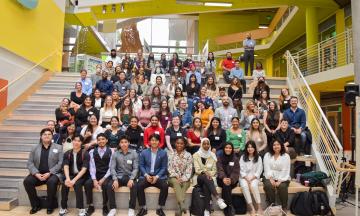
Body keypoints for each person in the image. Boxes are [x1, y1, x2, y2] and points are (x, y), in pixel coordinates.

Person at [23, 128, 63, 214]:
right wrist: (36, 173)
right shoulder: (34, 148)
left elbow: (60, 163)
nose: (47, 136)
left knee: (52, 182)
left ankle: (50, 206)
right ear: (41, 136)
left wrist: (50, 173)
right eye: (45, 134)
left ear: (52, 136)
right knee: (27, 181)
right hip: (38, 174)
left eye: (49, 134)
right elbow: (30, 163)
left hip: (52, 174)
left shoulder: (59, 147)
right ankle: (35, 205)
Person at [192, 138, 227, 215]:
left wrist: (209, 174)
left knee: (206, 185)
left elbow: (214, 170)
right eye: (204, 144)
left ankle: (207, 210)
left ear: (210, 145)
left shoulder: (212, 155)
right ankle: (218, 198)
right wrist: (205, 173)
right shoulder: (196, 155)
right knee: (205, 177)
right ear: (201, 145)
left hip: (210, 178)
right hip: (199, 177)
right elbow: (197, 169)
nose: (206, 145)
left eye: (208, 144)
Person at [137, 134, 169, 216]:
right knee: (139, 185)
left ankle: (159, 208)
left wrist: (157, 176)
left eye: (156, 140)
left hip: (158, 176)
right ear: (149, 142)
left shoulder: (163, 153)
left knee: (165, 186)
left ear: (159, 142)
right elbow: (141, 165)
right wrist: (146, 175)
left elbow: (164, 167)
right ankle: (143, 208)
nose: (154, 142)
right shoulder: (144, 152)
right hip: (147, 175)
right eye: (152, 140)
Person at [107, 135, 138, 216]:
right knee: (109, 186)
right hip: (119, 177)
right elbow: (112, 168)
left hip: (129, 177)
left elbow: (135, 168)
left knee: (134, 186)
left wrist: (132, 179)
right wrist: (115, 179)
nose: (124, 144)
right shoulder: (115, 154)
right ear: (119, 144)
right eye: (122, 142)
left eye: (125, 142)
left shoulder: (134, 153)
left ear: (129, 143)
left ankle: (131, 208)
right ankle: (113, 208)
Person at [59, 135, 90, 216]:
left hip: (82, 176)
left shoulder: (85, 153)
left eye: (79, 141)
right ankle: (63, 207)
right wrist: (68, 179)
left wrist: (74, 180)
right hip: (71, 175)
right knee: (65, 184)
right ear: (72, 141)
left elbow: (84, 169)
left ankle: (81, 208)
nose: (76, 142)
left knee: (77, 184)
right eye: (75, 140)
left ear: (82, 143)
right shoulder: (67, 153)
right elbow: (65, 166)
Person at [84, 133, 114, 216]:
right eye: (99, 139)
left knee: (105, 185)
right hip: (96, 174)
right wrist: (94, 180)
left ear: (106, 140)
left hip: (107, 174)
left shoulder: (111, 151)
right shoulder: (92, 151)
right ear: (97, 141)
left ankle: (105, 205)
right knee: (87, 184)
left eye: (103, 139)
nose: (101, 141)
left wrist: (103, 179)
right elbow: (92, 167)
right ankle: (90, 205)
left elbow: (111, 167)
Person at [263, 140, 291, 212]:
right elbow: (266, 168)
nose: (276, 146)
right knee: (269, 186)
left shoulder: (286, 156)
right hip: (269, 176)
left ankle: (284, 207)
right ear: (271, 146)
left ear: (281, 146)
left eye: (278, 144)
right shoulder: (267, 155)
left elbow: (286, 169)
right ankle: (272, 206)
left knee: (282, 186)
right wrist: (270, 178)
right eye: (274, 145)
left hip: (283, 176)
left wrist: (280, 180)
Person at [168, 137, 193, 216]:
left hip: (185, 178)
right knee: (176, 182)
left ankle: (179, 209)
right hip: (173, 178)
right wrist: (176, 176)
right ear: (175, 144)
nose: (179, 145)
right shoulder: (171, 154)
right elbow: (169, 168)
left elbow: (189, 169)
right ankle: (182, 204)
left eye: (181, 143)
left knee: (184, 185)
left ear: (184, 145)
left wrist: (183, 178)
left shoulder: (188, 155)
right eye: (178, 143)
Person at [239, 141, 263, 216]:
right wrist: (247, 178)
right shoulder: (242, 157)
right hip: (244, 177)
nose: (250, 149)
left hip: (254, 177)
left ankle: (259, 207)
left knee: (253, 186)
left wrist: (252, 178)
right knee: (244, 186)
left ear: (254, 148)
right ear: (246, 148)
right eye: (248, 147)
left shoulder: (258, 157)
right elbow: (241, 170)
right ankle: (251, 207)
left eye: (251, 147)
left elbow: (259, 170)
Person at [217, 142, 240, 216]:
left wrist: (231, 179)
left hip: (232, 180)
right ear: (224, 149)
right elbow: (219, 169)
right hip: (221, 179)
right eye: (226, 147)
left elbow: (236, 171)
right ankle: (229, 206)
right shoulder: (220, 157)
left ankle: (226, 207)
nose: (228, 149)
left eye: (230, 148)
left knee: (226, 185)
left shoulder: (235, 158)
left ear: (232, 149)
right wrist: (224, 177)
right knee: (226, 184)